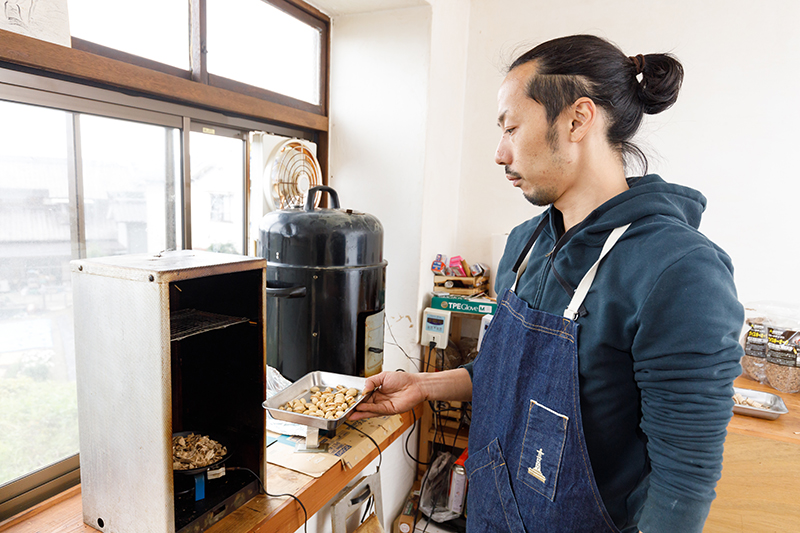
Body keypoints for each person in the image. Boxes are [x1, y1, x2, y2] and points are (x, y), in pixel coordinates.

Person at [350, 35, 744, 533]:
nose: (499, 153)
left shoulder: (680, 272)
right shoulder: (524, 245)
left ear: (578, 120)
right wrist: (424, 385)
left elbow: (683, 485)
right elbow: (506, 372)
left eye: (512, 127)